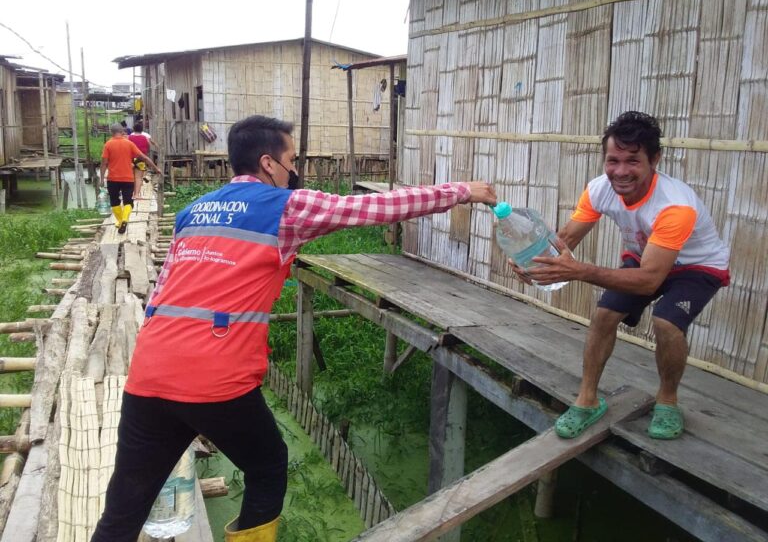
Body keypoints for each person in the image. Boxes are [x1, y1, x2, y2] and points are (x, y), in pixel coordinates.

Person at [91, 115, 497, 542]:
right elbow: (379, 207)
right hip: (215, 375)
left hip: (150, 370)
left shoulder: (192, 212)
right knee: (267, 464)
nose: (294, 169)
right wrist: (462, 192)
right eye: (291, 159)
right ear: (269, 164)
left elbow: (161, 291)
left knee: (125, 501)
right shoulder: (287, 206)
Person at [513, 111, 729, 441]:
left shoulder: (675, 206)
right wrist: (532, 259)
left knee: (666, 322)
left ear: (654, 159)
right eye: (613, 160)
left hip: (697, 266)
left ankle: (667, 401)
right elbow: (566, 239)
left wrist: (580, 270)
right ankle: (587, 401)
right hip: (645, 257)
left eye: (633, 161)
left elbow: (649, 281)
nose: (621, 171)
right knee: (603, 316)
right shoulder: (599, 189)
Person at [100, 123, 161, 234]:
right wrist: (156, 168)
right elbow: (144, 157)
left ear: (111, 132)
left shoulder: (108, 145)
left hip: (112, 178)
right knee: (128, 201)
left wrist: (101, 178)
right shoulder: (129, 144)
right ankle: (125, 219)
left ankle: (120, 221)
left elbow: (104, 163)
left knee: (114, 201)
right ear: (122, 131)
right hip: (127, 178)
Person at [127, 121, 158, 199]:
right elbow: (148, 147)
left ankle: (129, 194)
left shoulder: (129, 137)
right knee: (138, 178)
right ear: (142, 130)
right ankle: (136, 195)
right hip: (141, 159)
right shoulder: (145, 138)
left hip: (130, 159)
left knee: (130, 177)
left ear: (133, 129)